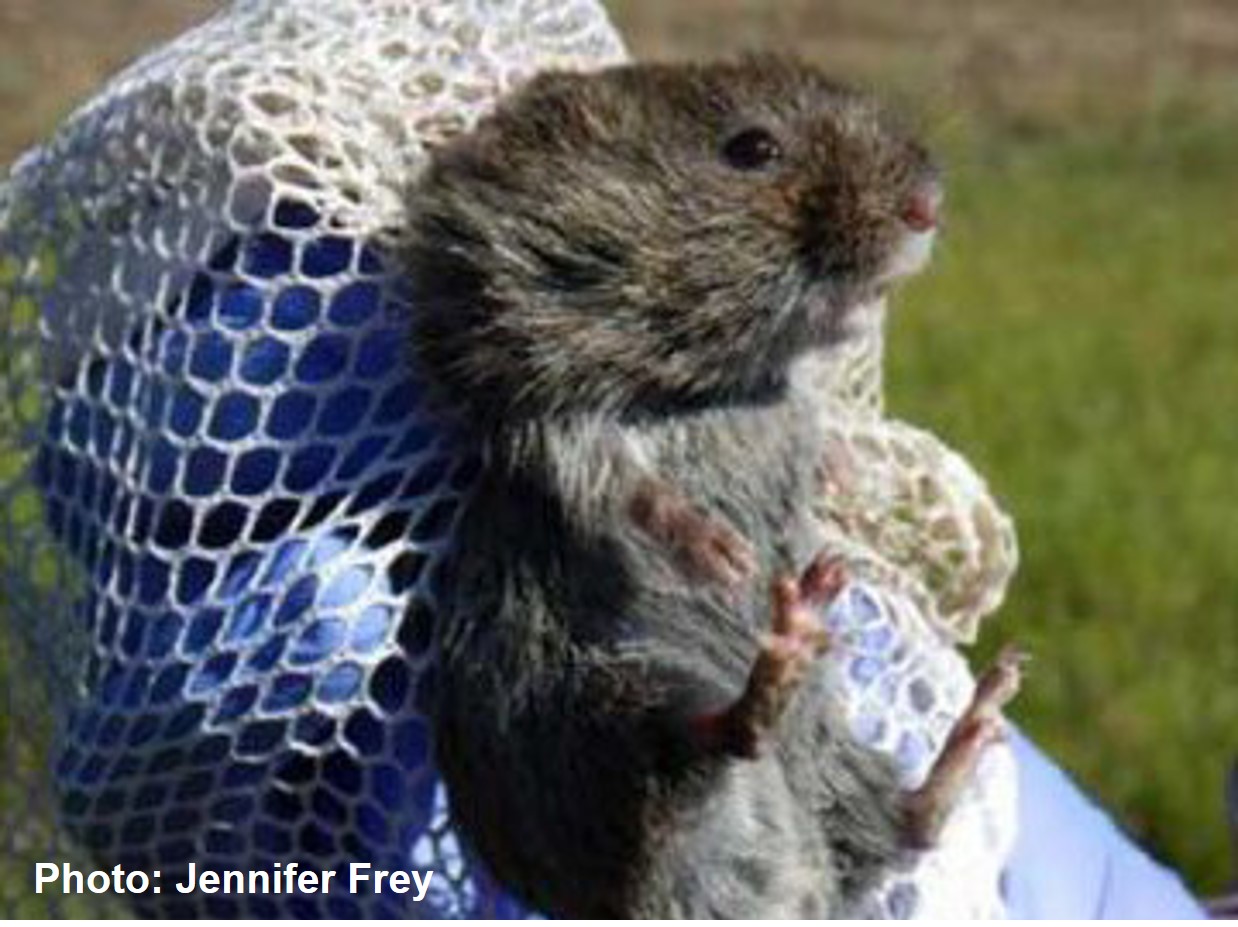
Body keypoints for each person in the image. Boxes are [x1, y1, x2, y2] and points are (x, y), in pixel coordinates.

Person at [0, 0, 1207, 917]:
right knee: (640, 714)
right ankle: (744, 738)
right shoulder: (537, 328)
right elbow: (557, 439)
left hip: (795, 802)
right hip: (625, 736)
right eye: (751, 157)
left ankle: (869, 790)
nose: (914, 208)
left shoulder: (758, 370)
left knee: (820, 786)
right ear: (558, 169)